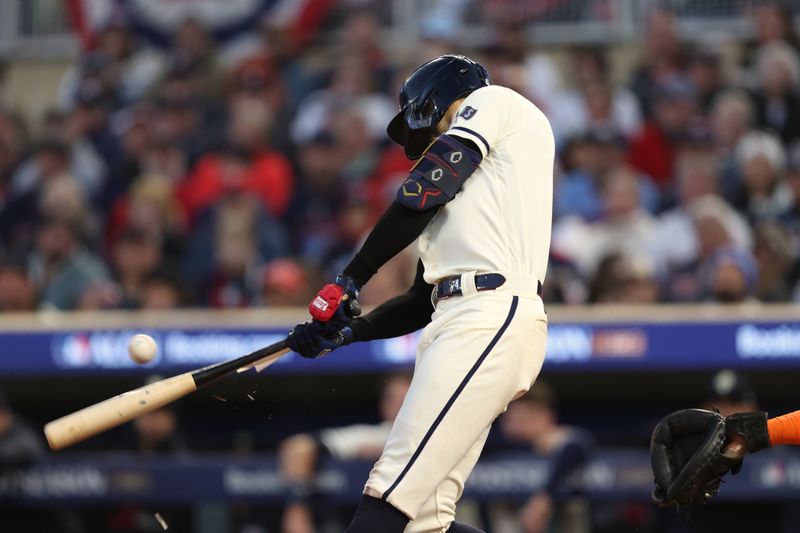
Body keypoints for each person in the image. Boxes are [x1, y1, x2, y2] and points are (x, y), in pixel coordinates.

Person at [287, 55, 553, 533]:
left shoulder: (494, 102)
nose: (426, 141)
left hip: (488, 312)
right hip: (460, 317)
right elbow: (417, 302)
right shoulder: (474, 198)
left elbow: (429, 184)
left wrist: (351, 277)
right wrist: (347, 331)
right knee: (422, 523)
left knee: (386, 498)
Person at [279, 374, 411, 533]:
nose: (397, 405)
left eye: (405, 398)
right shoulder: (373, 436)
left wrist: (384, 453)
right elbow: (298, 447)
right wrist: (297, 509)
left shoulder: (440, 438)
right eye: (391, 398)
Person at [496, 383, 593, 533]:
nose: (519, 424)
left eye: (527, 417)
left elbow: (579, 444)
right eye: (513, 418)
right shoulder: (496, 445)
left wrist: (543, 500)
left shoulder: (561, 442)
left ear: (548, 417)